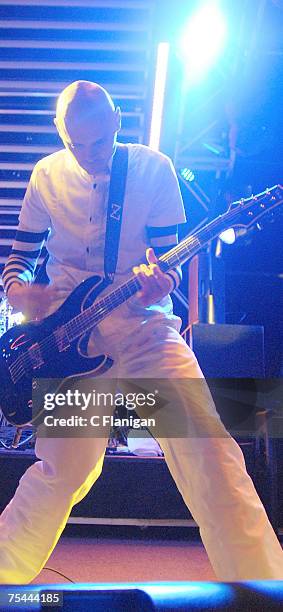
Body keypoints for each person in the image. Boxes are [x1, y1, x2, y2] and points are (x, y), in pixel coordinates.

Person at [1, 81, 282, 584]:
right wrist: (19, 289)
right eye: (74, 144)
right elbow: (20, 256)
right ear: (60, 133)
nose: (87, 156)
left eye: (98, 142)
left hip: (143, 333)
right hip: (65, 344)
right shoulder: (45, 175)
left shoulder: (154, 169)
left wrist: (159, 283)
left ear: (117, 121)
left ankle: (263, 588)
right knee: (59, 473)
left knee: (208, 453)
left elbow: (167, 267)